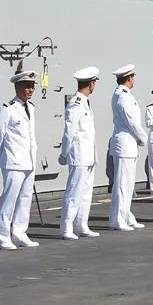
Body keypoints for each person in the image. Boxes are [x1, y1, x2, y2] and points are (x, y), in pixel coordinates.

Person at [0, 70, 40, 250]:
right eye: (27, 86)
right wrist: (2, 157)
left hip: (29, 160)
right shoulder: (7, 109)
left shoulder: (31, 108)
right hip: (13, 161)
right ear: (17, 87)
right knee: (9, 199)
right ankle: (3, 235)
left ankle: (20, 233)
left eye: (32, 86)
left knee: (25, 198)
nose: (31, 89)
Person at [59, 67, 100, 240]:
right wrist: (64, 153)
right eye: (95, 82)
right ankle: (66, 227)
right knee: (74, 192)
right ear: (91, 84)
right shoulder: (75, 103)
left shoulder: (85, 102)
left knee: (85, 193)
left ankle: (81, 224)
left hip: (88, 156)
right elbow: (69, 131)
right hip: (79, 155)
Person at [108, 64, 147, 231]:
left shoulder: (125, 94)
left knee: (128, 184)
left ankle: (126, 215)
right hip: (124, 144)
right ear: (129, 78)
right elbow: (131, 121)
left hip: (129, 145)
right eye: (133, 77)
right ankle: (117, 219)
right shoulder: (122, 96)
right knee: (122, 184)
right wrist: (143, 137)